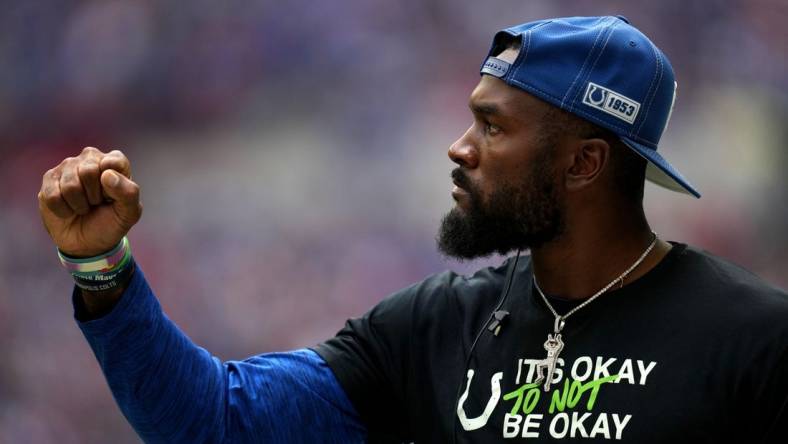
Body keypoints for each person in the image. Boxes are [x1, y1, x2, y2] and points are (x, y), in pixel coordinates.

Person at [38, 16, 787, 443]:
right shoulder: (432, 328)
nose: (458, 148)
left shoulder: (753, 339)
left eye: (493, 128)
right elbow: (215, 422)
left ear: (585, 163)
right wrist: (102, 267)